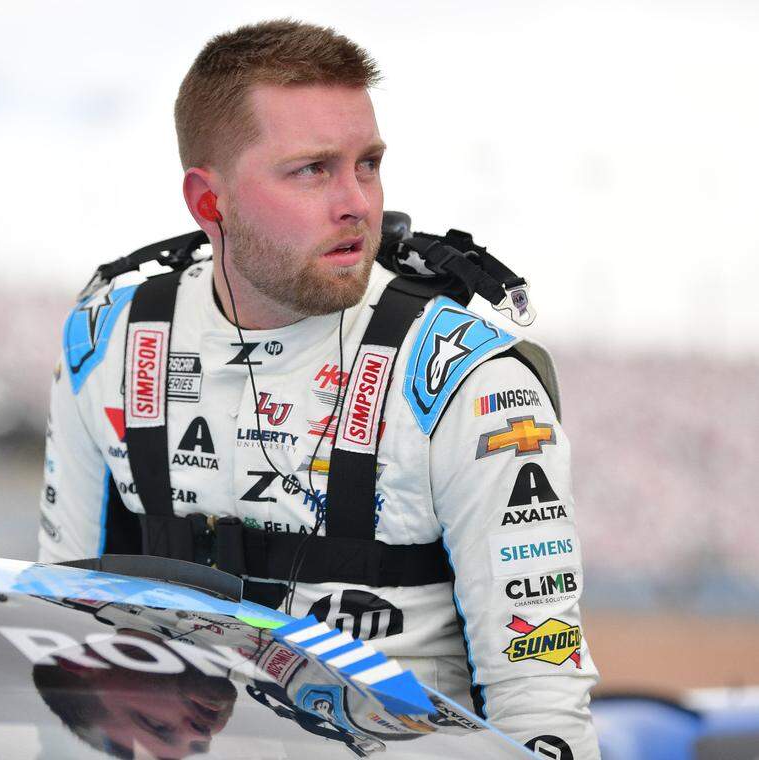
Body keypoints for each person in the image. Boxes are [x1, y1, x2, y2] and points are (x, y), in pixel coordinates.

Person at [38, 18, 599, 759]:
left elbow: (540, 696)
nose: (357, 203)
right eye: (312, 170)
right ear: (209, 203)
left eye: (368, 164)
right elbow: (64, 633)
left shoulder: (468, 378)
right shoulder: (108, 341)